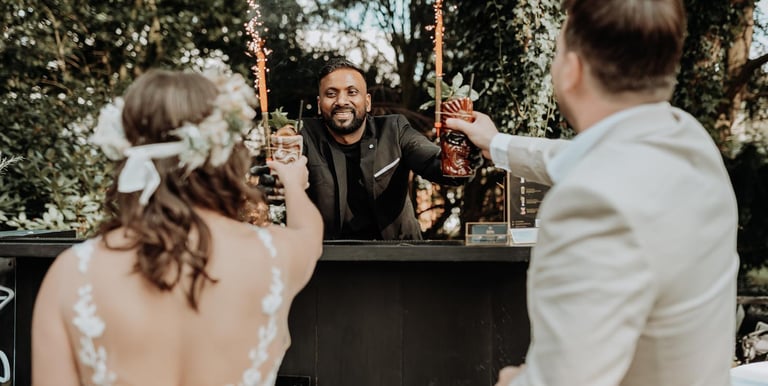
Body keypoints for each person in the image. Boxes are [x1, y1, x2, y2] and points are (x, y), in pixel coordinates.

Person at [446, 1, 739, 385]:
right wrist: (496, 143)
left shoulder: (592, 203)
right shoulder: (689, 140)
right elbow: (585, 155)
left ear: (572, 70)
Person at [31, 67, 323, 386]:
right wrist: (294, 183)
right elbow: (309, 233)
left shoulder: (71, 274)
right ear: (224, 150)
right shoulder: (273, 255)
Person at [301, 57, 473, 240]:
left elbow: (439, 166)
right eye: (331, 94)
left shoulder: (395, 129)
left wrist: (459, 148)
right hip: (329, 259)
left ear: (367, 102)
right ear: (319, 105)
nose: (342, 101)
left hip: (399, 255)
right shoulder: (303, 135)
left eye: (352, 92)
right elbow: (279, 178)